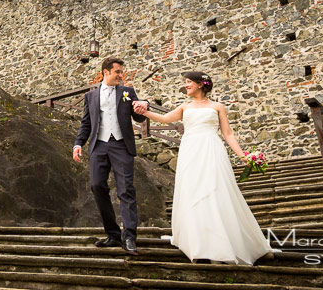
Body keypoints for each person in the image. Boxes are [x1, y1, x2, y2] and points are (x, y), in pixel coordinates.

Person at [134, 71, 272, 265]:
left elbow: (228, 133)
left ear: (201, 84)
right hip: (190, 151)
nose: (186, 85)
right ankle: (202, 246)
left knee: (216, 191)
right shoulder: (184, 107)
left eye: (189, 82)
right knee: (194, 193)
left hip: (212, 149)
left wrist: (243, 156)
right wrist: (144, 112)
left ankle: (227, 246)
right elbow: (165, 119)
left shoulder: (218, 107)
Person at [73, 57, 149, 255]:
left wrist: (143, 106)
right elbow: (86, 123)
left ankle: (130, 237)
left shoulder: (127, 92)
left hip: (121, 146)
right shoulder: (91, 96)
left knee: (126, 190)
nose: (121, 75)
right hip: (99, 146)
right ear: (105, 72)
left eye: (121, 72)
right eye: (117, 72)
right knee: (97, 186)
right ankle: (113, 234)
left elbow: (139, 117)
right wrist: (78, 143)